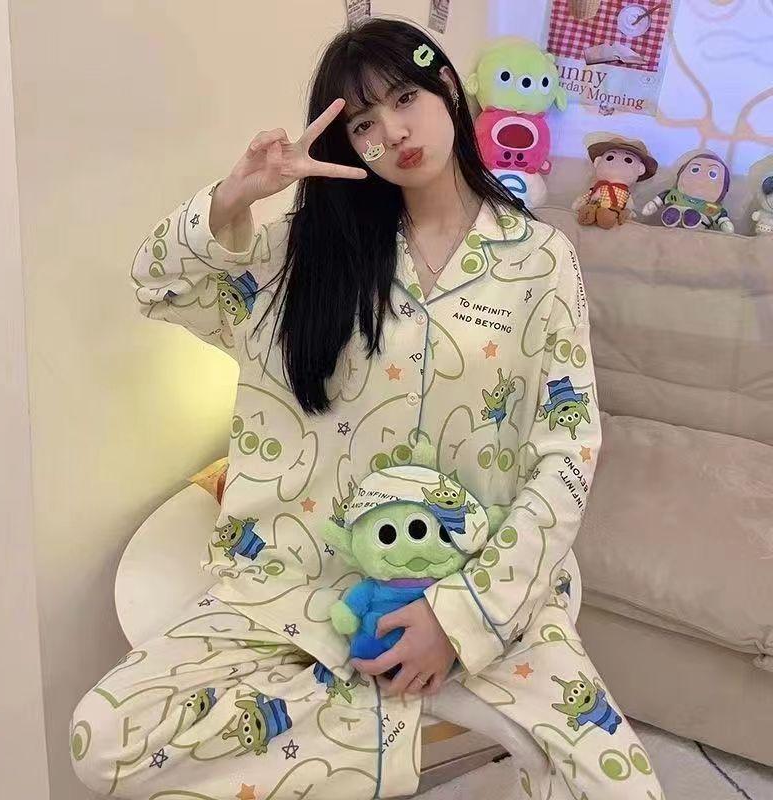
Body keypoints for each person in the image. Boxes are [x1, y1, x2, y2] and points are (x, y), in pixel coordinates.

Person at [70, 17, 665, 800]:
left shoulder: (540, 260)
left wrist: (458, 620)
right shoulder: (307, 253)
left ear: (447, 88)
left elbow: (568, 450)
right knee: (103, 742)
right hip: (302, 586)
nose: (392, 132)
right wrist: (237, 194)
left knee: (622, 790)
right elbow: (162, 286)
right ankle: (373, 721)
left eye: (405, 98)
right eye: (362, 123)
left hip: (477, 581)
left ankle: (369, 711)